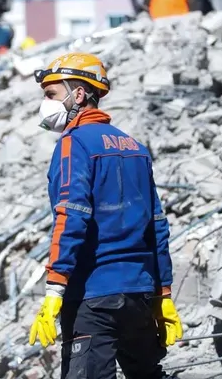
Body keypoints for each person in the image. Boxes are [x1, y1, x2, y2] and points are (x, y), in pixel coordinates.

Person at [28, 53, 182, 378]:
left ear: (79, 94)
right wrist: (163, 294)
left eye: (51, 94)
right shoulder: (135, 147)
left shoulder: (74, 143)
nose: (45, 103)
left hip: (92, 296)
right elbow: (157, 224)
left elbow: (71, 214)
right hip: (139, 295)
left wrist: (54, 288)